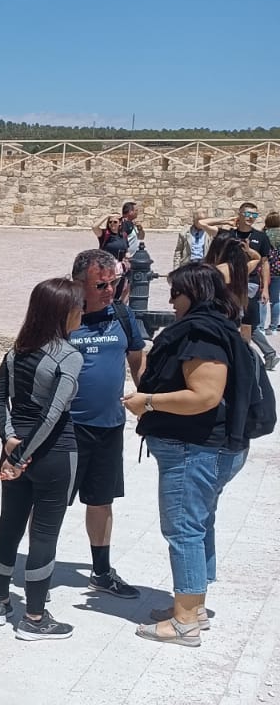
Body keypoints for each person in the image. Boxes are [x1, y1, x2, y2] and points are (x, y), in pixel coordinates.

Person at [123, 265, 249, 645]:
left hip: (193, 450)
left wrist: (148, 401)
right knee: (199, 524)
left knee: (184, 530)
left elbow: (205, 396)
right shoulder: (219, 325)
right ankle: (193, 607)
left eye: (176, 293)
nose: (170, 300)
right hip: (209, 448)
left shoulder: (201, 335)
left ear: (192, 294)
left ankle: (184, 623)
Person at [0, 277, 84, 640]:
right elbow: (55, 413)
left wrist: (10, 441)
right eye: (78, 306)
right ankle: (35, 618)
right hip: (54, 454)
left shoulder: (16, 351)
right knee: (44, 533)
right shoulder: (69, 355)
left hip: (14, 451)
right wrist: (24, 455)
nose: (82, 312)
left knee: (9, 523)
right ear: (63, 312)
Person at [68, 250, 146, 599]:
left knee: (101, 502)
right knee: (47, 503)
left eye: (114, 283)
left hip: (108, 427)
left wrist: (147, 402)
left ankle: (101, 572)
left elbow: (137, 363)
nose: (109, 291)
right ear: (78, 285)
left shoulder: (123, 317)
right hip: (64, 430)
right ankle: (37, 570)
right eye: (101, 285)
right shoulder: (63, 318)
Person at [214, 201, 277, 368]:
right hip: (230, 283)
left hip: (250, 285)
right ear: (240, 214)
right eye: (248, 214)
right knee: (237, 320)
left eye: (254, 215)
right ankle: (262, 354)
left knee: (245, 322)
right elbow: (201, 224)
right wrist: (225, 221)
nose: (251, 218)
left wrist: (265, 289)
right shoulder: (230, 235)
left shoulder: (261, 237)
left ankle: (245, 358)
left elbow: (264, 263)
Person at [264, 209, 280, 334]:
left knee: (267, 298)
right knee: (276, 300)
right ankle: (274, 326)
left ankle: (262, 326)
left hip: (269, 269)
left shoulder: (264, 234)